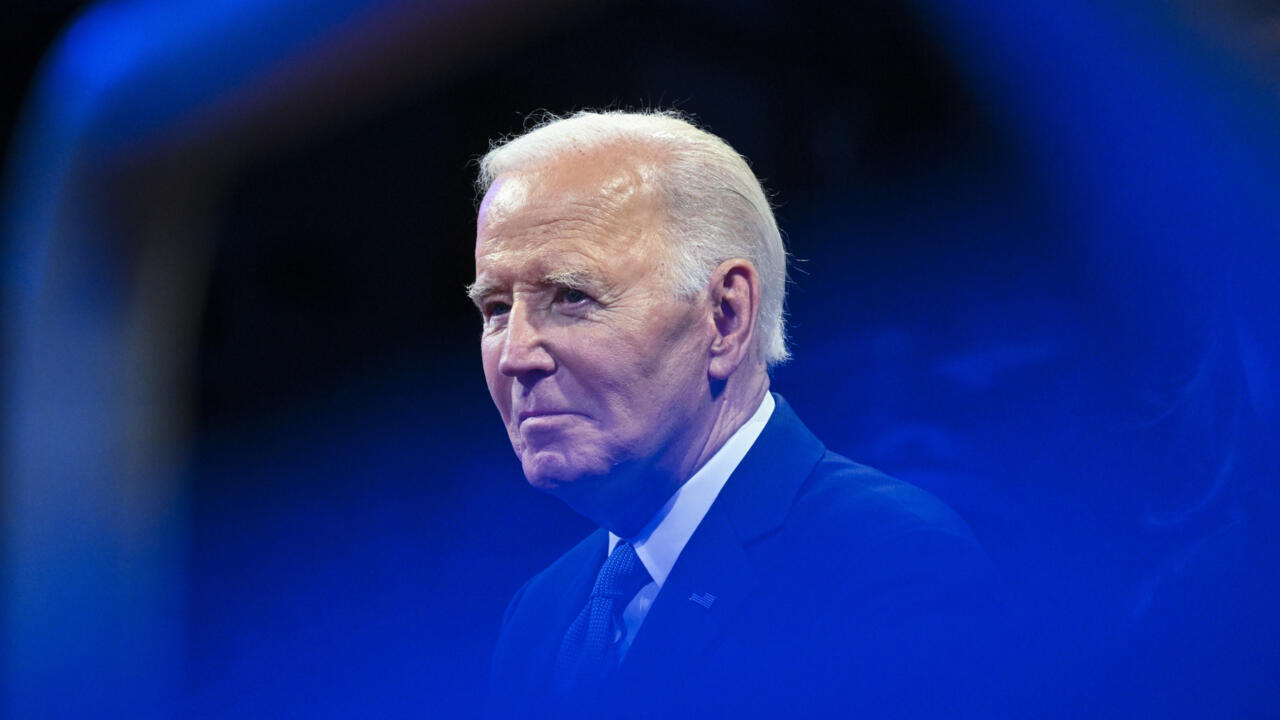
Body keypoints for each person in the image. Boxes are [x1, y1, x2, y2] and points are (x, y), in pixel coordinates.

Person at [469, 110, 996, 718]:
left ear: (725, 317)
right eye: (496, 308)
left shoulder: (892, 564)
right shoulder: (540, 615)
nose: (515, 356)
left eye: (571, 296)